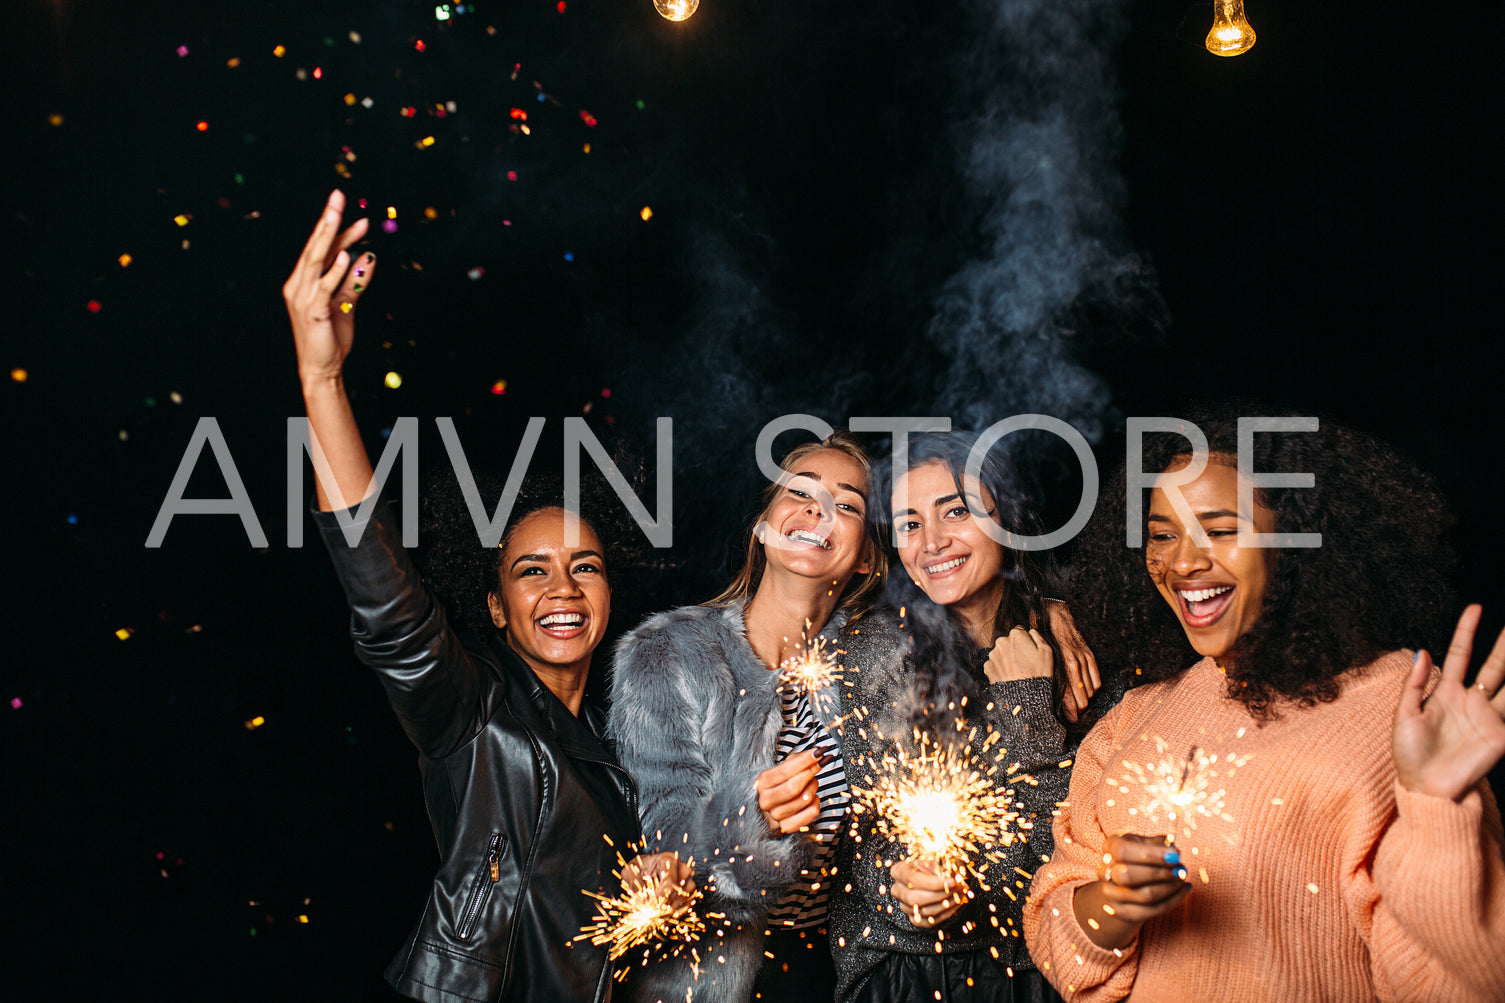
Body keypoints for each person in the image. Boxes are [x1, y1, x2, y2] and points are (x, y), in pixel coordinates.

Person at [283, 190, 640, 1002]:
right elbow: (389, 608)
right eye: (531, 569)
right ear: (493, 607)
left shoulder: (621, 753)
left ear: (610, 594)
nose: (561, 586)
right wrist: (323, 376)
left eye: (584, 566)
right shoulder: (470, 707)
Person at [1023, 412, 1505, 1002]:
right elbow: (1058, 947)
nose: (1181, 564)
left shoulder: (1399, 708)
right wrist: (1112, 905)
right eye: (1163, 533)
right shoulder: (1136, 714)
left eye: (1220, 529)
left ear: (1296, 538)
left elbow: (1462, 986)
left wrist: (1438, 811)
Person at [607, 431, 884, 1003]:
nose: (818, 509)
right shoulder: (667, 653)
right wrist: (753, 821)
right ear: (764, 525)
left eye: (848, 504)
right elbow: (670, 838)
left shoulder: (877, 668)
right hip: (703, 982)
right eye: (800, 492)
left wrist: (1044, 611)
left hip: (837, 980)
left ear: (868, 559)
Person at [829, 430, 1102, 1003]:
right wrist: (916, 889)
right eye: (908, 524)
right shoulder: (874, 656)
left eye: (956, 511)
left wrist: (1029, 694)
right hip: (906, 972)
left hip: (1053, 971)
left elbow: (1078, 852)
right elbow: (877, 845)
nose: (932, 542)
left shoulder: (1081, 646)